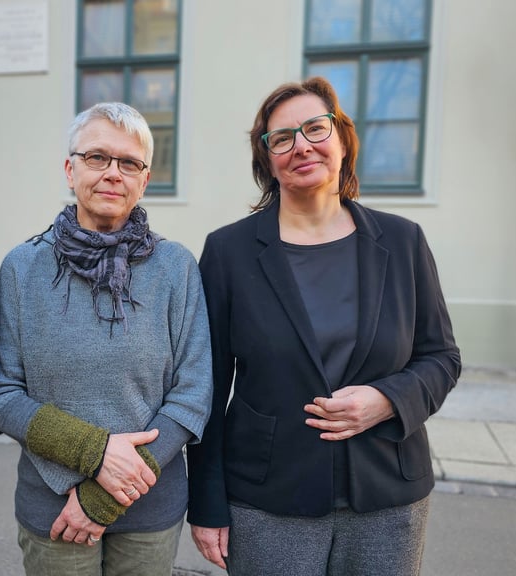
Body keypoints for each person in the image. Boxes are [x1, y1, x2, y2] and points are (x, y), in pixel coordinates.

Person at [186, 77, 461, 576]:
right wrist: (206, 503)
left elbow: (442, 358)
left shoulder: (402, 242)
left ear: (341, 139)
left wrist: (388, 400)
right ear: (267, 159)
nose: (302, 147)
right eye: (282, 138)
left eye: (315, 128)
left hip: (387, 495)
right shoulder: (228, 252)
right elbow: (206, 386)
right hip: (268, 498)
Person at [0, 102, 213, 576]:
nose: (112, 173)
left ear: (144, 181)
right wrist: (94, 453)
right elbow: (1, 395)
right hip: (54, 511)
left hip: (150, 513)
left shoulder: (176, 268)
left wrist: (101, 498)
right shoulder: (23, 268)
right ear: (70, 169)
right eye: (97, 158)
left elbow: (192, 396)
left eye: (129, 163)